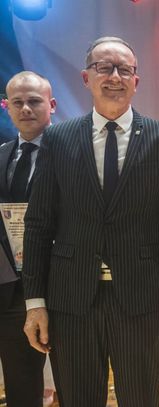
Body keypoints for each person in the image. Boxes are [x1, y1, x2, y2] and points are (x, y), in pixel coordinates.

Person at [21, 36, 159, 407]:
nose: (115, 76)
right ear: (86, 77)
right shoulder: (57, 138)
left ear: (136, 80)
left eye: (124, 70)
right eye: (104, 67)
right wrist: (34, 301)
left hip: (141, 296)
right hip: (70, 298)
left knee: (140, 399)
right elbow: (38, 225)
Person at [0, 71, 54, 407]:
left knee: (75, 386)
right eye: (17, 102)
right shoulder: (2, 154)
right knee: (21, 391)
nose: (26, 109)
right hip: (10, 291)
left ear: (52, 105)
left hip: (61, 285)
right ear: (6, 107)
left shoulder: (72, 154)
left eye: (34, 101)